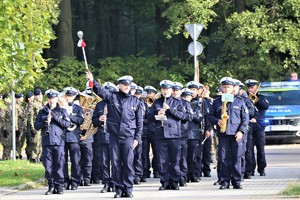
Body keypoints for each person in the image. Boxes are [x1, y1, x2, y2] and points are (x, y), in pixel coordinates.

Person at [86, 71, 143, 198]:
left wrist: (137, 138)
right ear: (119, 85)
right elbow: (99, 90)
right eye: (123, 84)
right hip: (114, 136)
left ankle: (128, 189)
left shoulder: (136, 101)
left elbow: (140, 123)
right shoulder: (112, 97)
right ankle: (118, 189)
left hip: (128, 136)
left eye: (128, 84)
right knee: (116, 163)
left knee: (128, 163)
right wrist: (92, 80)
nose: (126, 86)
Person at [208, 77, 249, 190]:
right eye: (224, 87)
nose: (226, 89)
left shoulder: (240, 101)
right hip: (223, 134)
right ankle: (224, 181)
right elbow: (210, 116)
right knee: (223, 158)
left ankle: (237, 181)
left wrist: (241, 131)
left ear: (232, 88)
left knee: (236, 158)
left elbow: (245, 118)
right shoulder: (216, 102)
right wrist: (217, 121)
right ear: (222, 88)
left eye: (229, 87)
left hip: (236, 134)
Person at [148, 80, 188, 190]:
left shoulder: (178, 102)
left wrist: (170, 110)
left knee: (175, 159)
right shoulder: (157, 102)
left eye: (168, 89)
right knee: (162, 160)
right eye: (164, 89)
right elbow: (148, 117)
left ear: (171, 90)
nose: (166, 91)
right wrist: (157, 114)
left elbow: (184, 117)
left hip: (175, 135)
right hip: (161, 134)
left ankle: (175, 181)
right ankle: (164, 181)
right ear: (161, 90)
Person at [34, 89, 71, 195]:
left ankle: (59, 186)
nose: (51, 100)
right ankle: (51, 185)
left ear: (56, 99)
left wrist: (56, 118)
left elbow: (67, 125)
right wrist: (44, 120)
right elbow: (36, 126)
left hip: (59, 142)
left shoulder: (62, 111)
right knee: (48, 165)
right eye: (49, 98)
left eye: (53, 98)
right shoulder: (42, 111)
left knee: (59, 165)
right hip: (47, 141)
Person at [92, 82, 117, 193]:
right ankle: (106, 182)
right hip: (102, 135)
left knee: (115, 161)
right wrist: (99, 119)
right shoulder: (99, 105)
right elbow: (94, 121)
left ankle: (116, 182)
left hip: (114, 135)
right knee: (104, 161)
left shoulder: (116, 103)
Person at [245, 79, 269, 176]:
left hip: (259, 126)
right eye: (249, 87)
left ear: (256, 87)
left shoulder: (262, 97)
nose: (250, 89)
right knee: (249, 149)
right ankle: (250, 169)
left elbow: (266, 106)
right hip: (249, 126)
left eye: (252, 87)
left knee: (260, 149)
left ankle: (262, 168)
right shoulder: (244, 98)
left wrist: (256, 99)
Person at [62, 87, 84, 190]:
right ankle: (65, 180)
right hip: (62, 137)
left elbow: (80, 120)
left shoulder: (78, 108)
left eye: (71, 96)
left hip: (74, 137)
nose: (69, 98)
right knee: (62, 160)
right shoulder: (60, 107)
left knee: (75, 160)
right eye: (68, 95)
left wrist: (70, 116)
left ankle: (75, 181)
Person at [142, 85, 160, 179]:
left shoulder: (156, 104)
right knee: (144, 153)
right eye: (147, 93)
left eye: (150, 93)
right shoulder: (141, 103)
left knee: (157, 152)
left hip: (155, 130)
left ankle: (156, 170)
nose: (149, 95)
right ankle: (145, 171)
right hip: (144, 131)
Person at [178, 88, 194, 187]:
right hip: (170, 133)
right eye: (184, 96)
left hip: (183, 132)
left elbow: (190, 117)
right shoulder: (168, 102)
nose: (185, 98)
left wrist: (176, 113)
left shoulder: (186, 104)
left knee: (183, 157)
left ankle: (183, 177)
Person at [15, 93, 26, 159]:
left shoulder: (21, 106)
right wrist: (16, 128)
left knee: (21, 141)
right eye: (21, 97)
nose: (22, 98)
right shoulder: (16, 106)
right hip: (18, 127)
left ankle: (19, 153)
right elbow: (15, 117)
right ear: (18, 98)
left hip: (22, 126)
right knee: (18, 141)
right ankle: (17, 154)